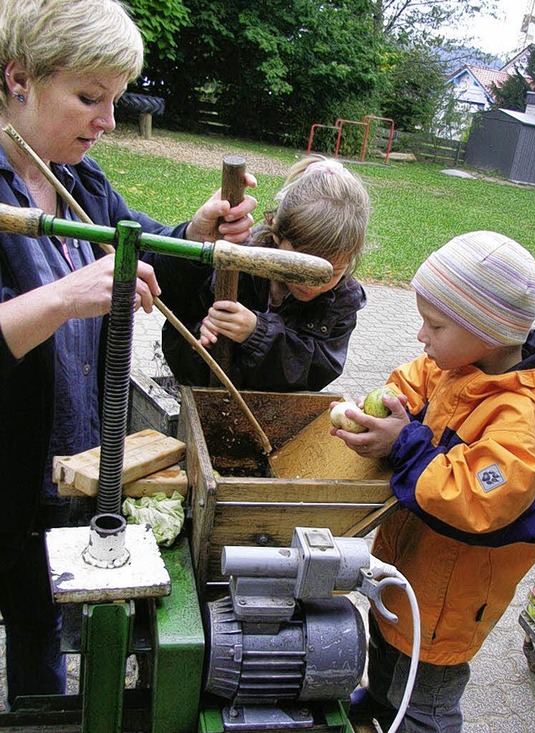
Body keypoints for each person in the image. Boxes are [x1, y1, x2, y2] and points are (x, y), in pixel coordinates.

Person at [0, 0, 256, 706]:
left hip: (73, 461)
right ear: (18, 77)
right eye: (89, 97)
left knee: (42, 625)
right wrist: (60, 297)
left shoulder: (77, 181)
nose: (108, 120)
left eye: (114, 99)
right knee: (25, 613)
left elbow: (148, 252)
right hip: (6, 473)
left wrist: (196, 227)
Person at [331, 231, 535, 732]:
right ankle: (380, 708)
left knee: (425, 698)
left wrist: (403, 444)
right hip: (406, 571)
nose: (421, 337)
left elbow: (477, 497)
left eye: (434, 324)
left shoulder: (519, 418)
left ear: (488, 329)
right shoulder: (456, 364)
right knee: (385, 647)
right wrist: (384, 408)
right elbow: (412, 381)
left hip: (446, 603)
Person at [162, 155, 370, 391]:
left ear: (351, 258)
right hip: (208, 402)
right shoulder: (236, 263)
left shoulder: (343, 300)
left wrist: (257, 333)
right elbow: (177, 341)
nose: (311, 286)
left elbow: (315, 372)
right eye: (301, 270)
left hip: (276, 415)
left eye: (327, 275)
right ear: (277, 234)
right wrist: (201, 341)